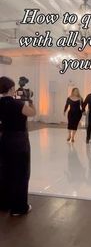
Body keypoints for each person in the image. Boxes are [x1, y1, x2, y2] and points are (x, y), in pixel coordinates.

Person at [0, 76, 36, 216]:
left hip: (4, 140)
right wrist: (31, 102)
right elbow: (33, 113)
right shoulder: (17, 105)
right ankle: (19, 207)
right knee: (21, 174)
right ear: (11, 89)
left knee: (5, 172)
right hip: (19, 141)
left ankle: (4, 203)